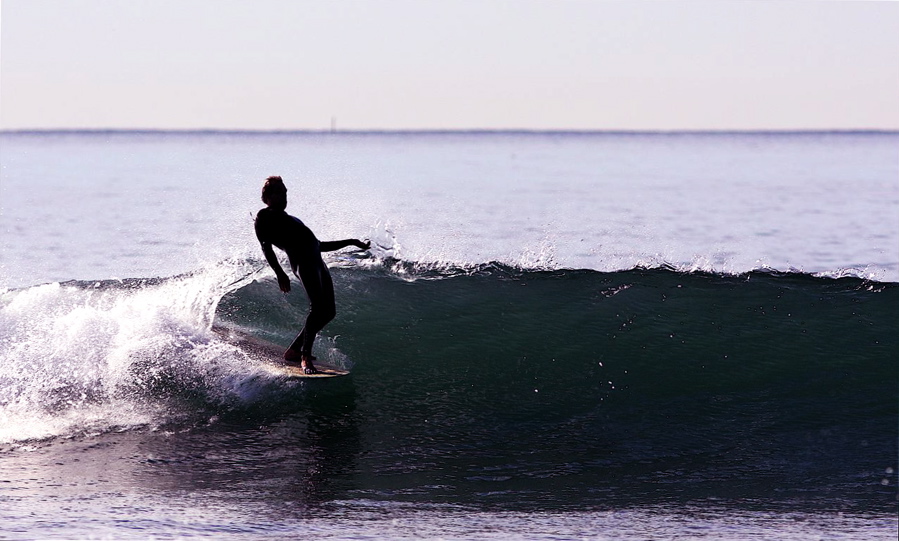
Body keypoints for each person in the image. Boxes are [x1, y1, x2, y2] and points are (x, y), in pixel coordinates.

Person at [254, 175, 369, 374]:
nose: (285, 196)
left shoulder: (292, 219)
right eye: (281, 193)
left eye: (286, 192)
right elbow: (266, 248)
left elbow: (318, 245)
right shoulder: (264, 217)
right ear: (269, 196)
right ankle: (305, 357)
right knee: (317, 309)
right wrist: (280, 273)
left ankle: (294, 351)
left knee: (329, 312)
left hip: (318, 263)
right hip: (304, 264)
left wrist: (351, 241)